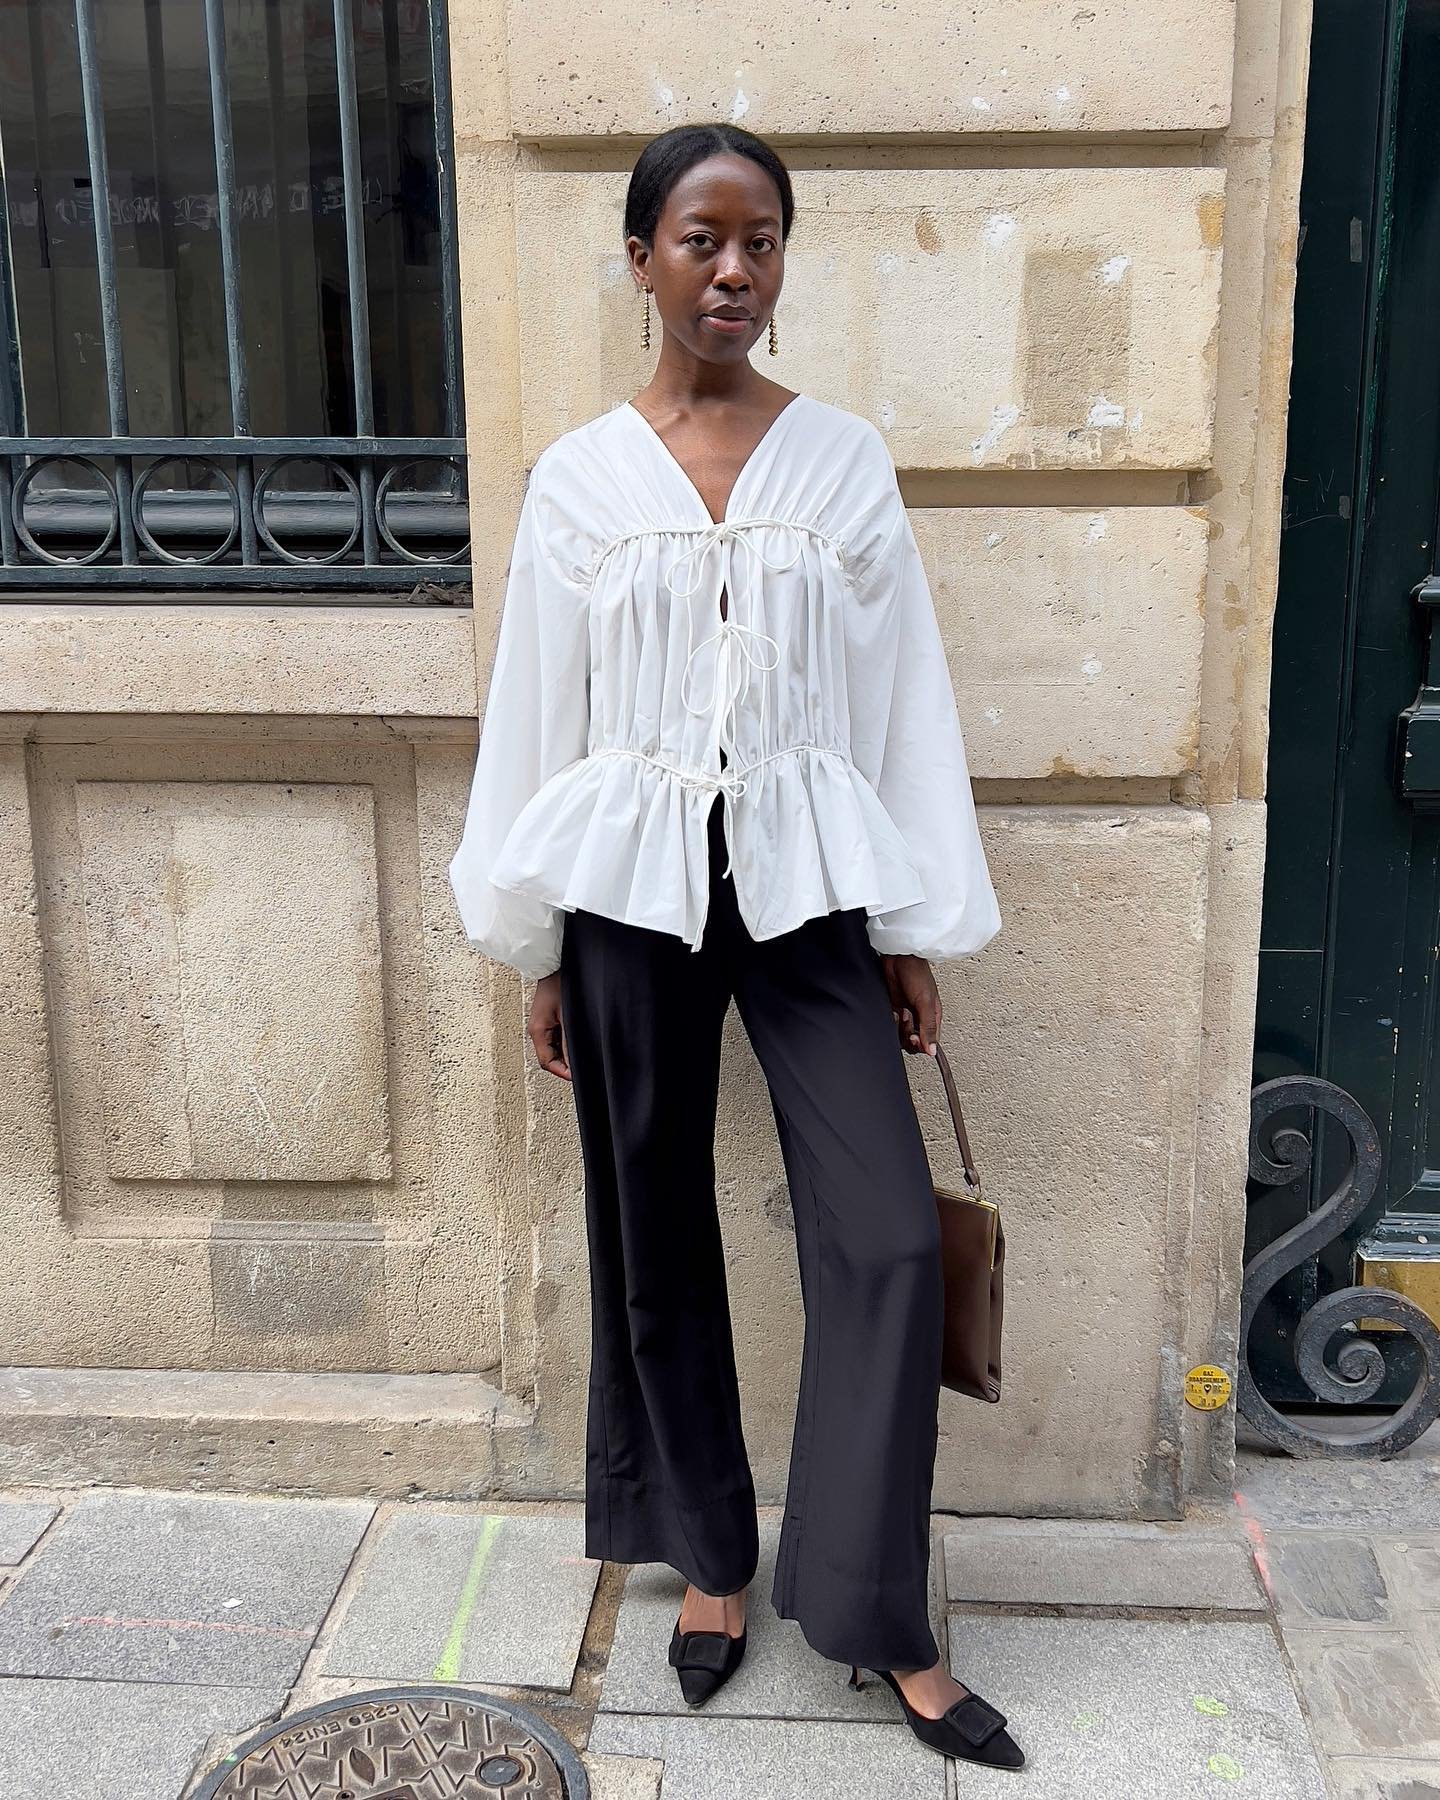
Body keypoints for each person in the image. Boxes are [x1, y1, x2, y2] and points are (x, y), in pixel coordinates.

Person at [447, 121, 1020, 1773]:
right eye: (701, 239)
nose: (734, 270)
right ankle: (710, 1558)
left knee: (891, 1237)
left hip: (807, 881)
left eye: (761, 240)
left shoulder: (841, 462)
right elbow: (537, 719)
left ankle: (873, 1610)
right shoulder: (579, 477)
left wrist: (912, 925)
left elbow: (901, 701)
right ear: (641, 258)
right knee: (653, 1224)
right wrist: (538, 939)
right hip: (628, 890)